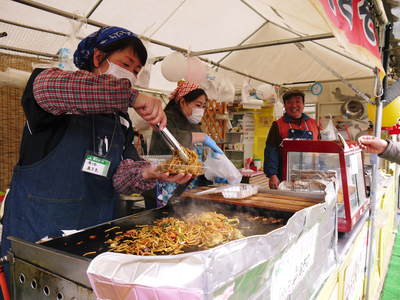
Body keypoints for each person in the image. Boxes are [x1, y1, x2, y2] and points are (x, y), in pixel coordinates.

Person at [0, 26, 192, 257]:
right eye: (126, 64)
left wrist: (151, 172)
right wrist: (132, 97)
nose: (131, 74)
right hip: (38, 229)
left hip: (95, 230)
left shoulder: (121, 120)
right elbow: (48, 87)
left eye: (136, 70)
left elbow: (121, 177)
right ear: (98, 57)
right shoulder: (58, 91)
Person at [148, 80, 223, 206]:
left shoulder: (194, 124)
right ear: (183, 102)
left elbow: (198, 156)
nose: (201, 110)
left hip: (188, 186)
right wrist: (202, 137)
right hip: (164, 186)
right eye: (198, 105)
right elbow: (173, 140)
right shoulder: (167, 118)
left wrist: (213, 168)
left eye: (204, 106)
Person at [264, 90, 319, 189]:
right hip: (284, 176)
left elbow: (320, 150)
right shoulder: (278, 125)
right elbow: (271, 151)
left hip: (310, 176)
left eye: (298, 102)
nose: (294, 106)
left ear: (303, 104)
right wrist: (272, 174)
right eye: (289, 102)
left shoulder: (313, 123)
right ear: (284, 105)